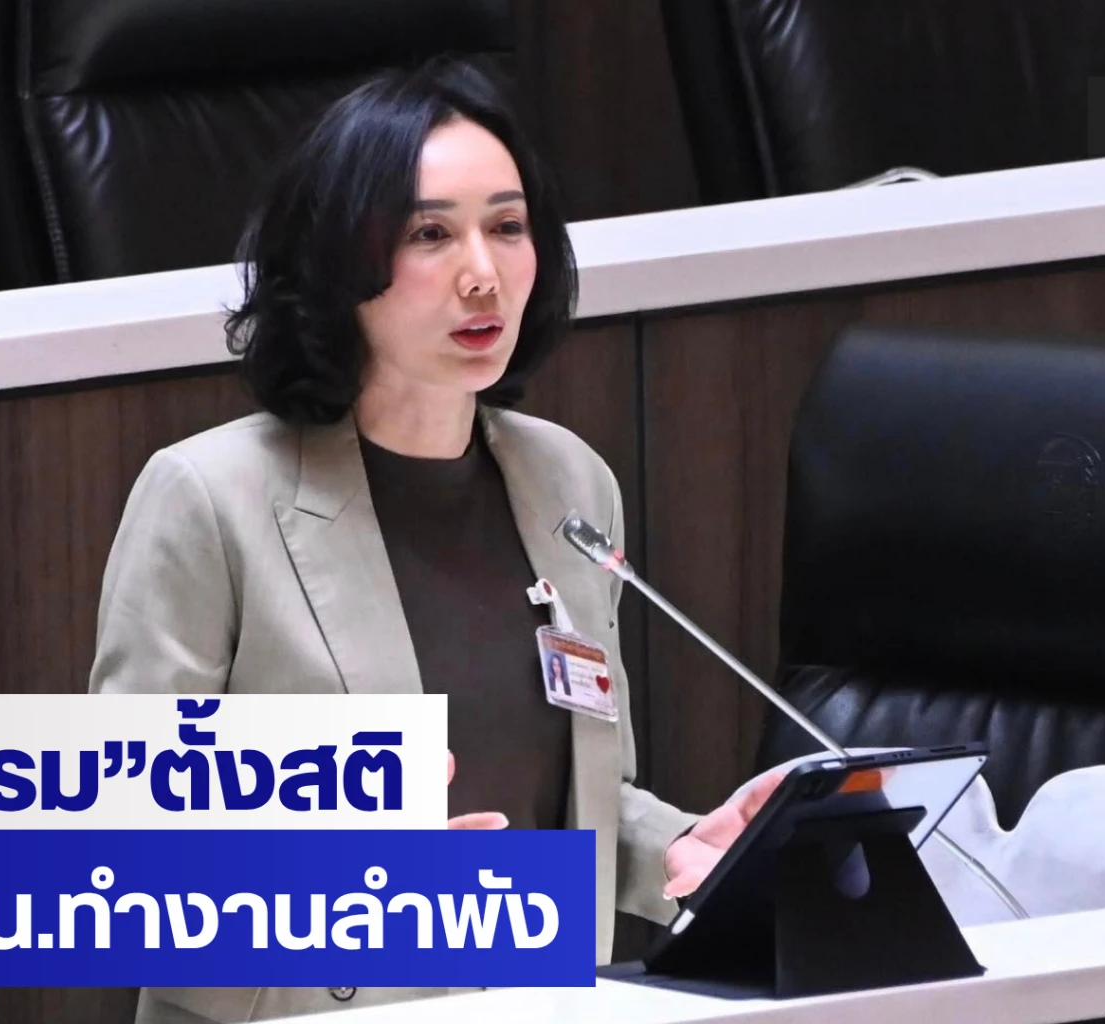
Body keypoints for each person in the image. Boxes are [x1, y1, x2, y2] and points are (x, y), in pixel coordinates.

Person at [90, 58, 783, 1023]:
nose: (482, 273)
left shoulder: (568, 484)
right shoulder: (208, 498)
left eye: (508, 226)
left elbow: (573, 797)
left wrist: (676, 850)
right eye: (430, 234)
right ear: (340, 263)